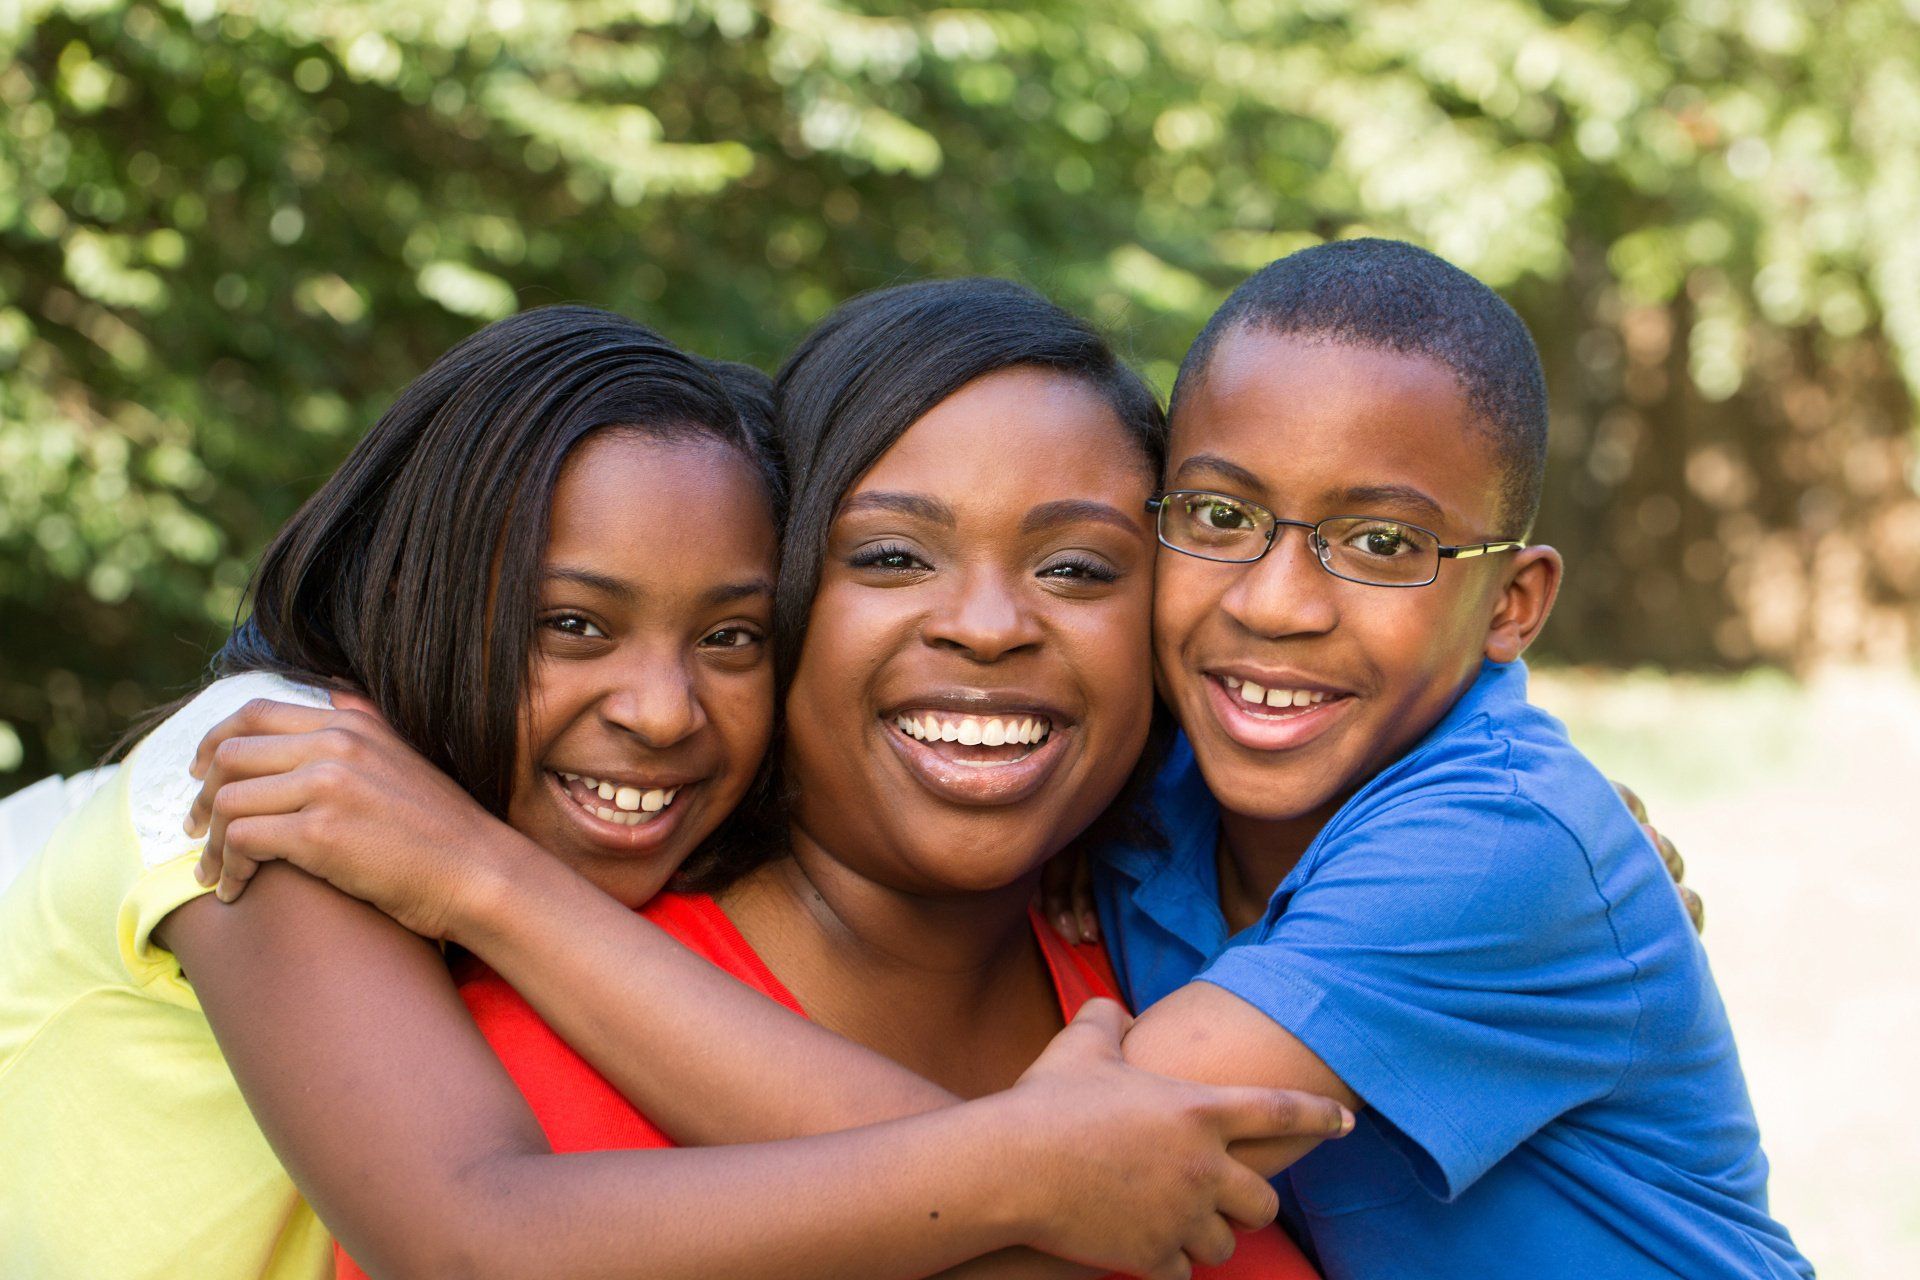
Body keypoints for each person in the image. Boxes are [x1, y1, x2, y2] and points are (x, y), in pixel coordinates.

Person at [198, 251, 1781, 1278]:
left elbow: (1080, 1180)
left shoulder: (1207, 872)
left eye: (1083, 570)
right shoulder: (527, 1069)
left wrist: (1575, 860)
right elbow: (1056, 1185)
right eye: (887, 559)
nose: (990, 630)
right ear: (788, 602)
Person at [0, 304, 1335, 1280]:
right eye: (571, 627)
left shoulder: (1109, 894)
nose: (661, 708)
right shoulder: (274, 772)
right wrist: (1027, 1165)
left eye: (732, 639)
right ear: (420, 594)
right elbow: (472, 1237)